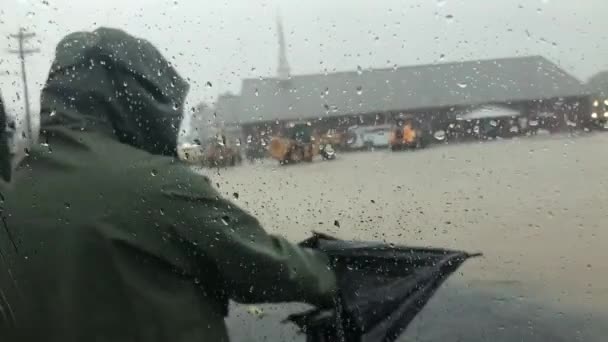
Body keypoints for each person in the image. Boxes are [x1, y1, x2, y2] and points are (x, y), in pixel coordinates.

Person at [0, 27, 336, 342]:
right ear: (135, 97)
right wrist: (342, 268)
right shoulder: (153, 185)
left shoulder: (13, 193)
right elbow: (267, 267)